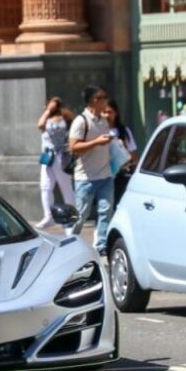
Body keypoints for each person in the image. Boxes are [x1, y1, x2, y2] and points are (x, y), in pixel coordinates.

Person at [68, 85, 114, 254]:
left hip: (105, 175)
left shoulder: (103, 120)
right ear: (94, 100)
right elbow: (73, 147)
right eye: (103, 97)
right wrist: (97, 142)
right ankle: (70, 242)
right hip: (85, 177)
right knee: (80, 216)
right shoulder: (81, 121)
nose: (106, 101)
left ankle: (100, 246)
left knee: (105, 212)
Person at [34, 97, 75, 229]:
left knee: (65, 186)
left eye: (51, 105)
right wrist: (47, 112)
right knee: (45, 186)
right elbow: (40, 125)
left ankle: (71, 217)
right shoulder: (45, 118)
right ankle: (48, 216)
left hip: (61, 156)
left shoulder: (65, 117)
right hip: (48, 157)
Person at [102, 99, 138, 209]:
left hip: (120, 175)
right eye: (104, 112)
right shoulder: (98, 131)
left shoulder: (124, 131)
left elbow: (133, 155)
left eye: (110, 112)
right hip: (103, 174)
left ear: (116, 113)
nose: (107, 115)